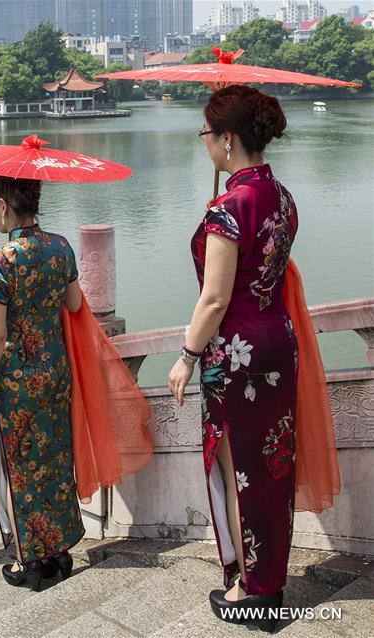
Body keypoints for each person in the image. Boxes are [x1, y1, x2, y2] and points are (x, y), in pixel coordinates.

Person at [167, 85, 337, 633]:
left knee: (238, 469)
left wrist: (187, 356)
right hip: (277, 341)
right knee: (270, 468)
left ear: (227, 139)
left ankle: (252, 592)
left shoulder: (228, 208)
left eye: (206, 134)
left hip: (234, 353)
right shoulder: (283, 197)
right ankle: (270, 582)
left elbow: (215, 298)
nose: (204, 143)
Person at [0, 175, 85, 592]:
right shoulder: (60, 247)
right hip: (55, 374)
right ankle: (59, 550)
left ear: (4, 205)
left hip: (18, 384)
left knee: (20, 469)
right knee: (55, 461)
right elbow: (74, 303)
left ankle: (30, 560)